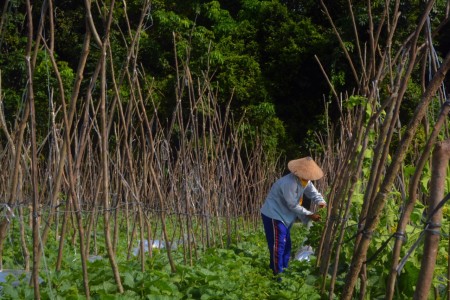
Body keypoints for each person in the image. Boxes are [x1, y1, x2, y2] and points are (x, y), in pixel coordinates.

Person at [260, 156, 327, 275]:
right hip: (274, 215)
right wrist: (310, 214)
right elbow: (292, 205)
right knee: (278, 245)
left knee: (286, 244)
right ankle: (277, 274)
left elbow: (313, 193)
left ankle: (284, 269)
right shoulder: (289, 183)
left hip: (285, 216)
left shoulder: (305, 181)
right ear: (300, 173)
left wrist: (321, 202)